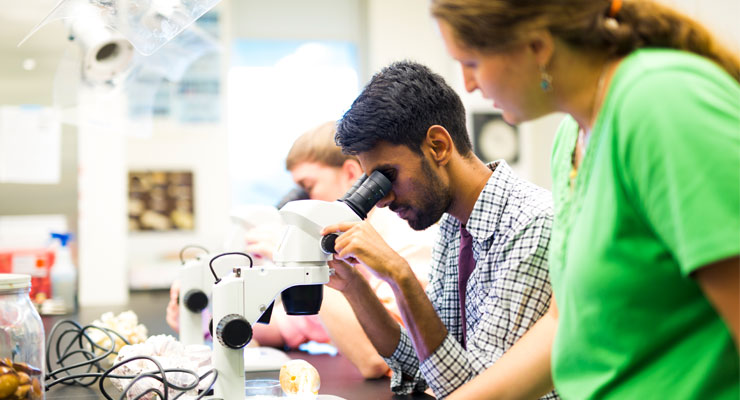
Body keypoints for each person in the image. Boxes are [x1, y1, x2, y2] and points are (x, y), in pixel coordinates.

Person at [428, 0, 740, 398]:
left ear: (537, 46)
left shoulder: (661, 104)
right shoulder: (571, 139)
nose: (468, 84)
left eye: (471, 62)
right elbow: (563, 324)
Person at [321, 61, 556, 399]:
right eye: (372, 181)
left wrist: (399, 275)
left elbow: (475, 389)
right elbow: (424, 363)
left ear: (438, 146)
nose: (382, 199)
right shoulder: (453, 222)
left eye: (387, 175)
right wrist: (355, 287)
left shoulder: (532, 225)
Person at [165, 121, 437, 379]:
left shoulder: (404, 239)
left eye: (308, 187)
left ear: (352, 175)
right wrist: (205, 319)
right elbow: (288, 326)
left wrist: (300, 261)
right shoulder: (338, 244)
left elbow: (377, 359)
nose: (303, 201)